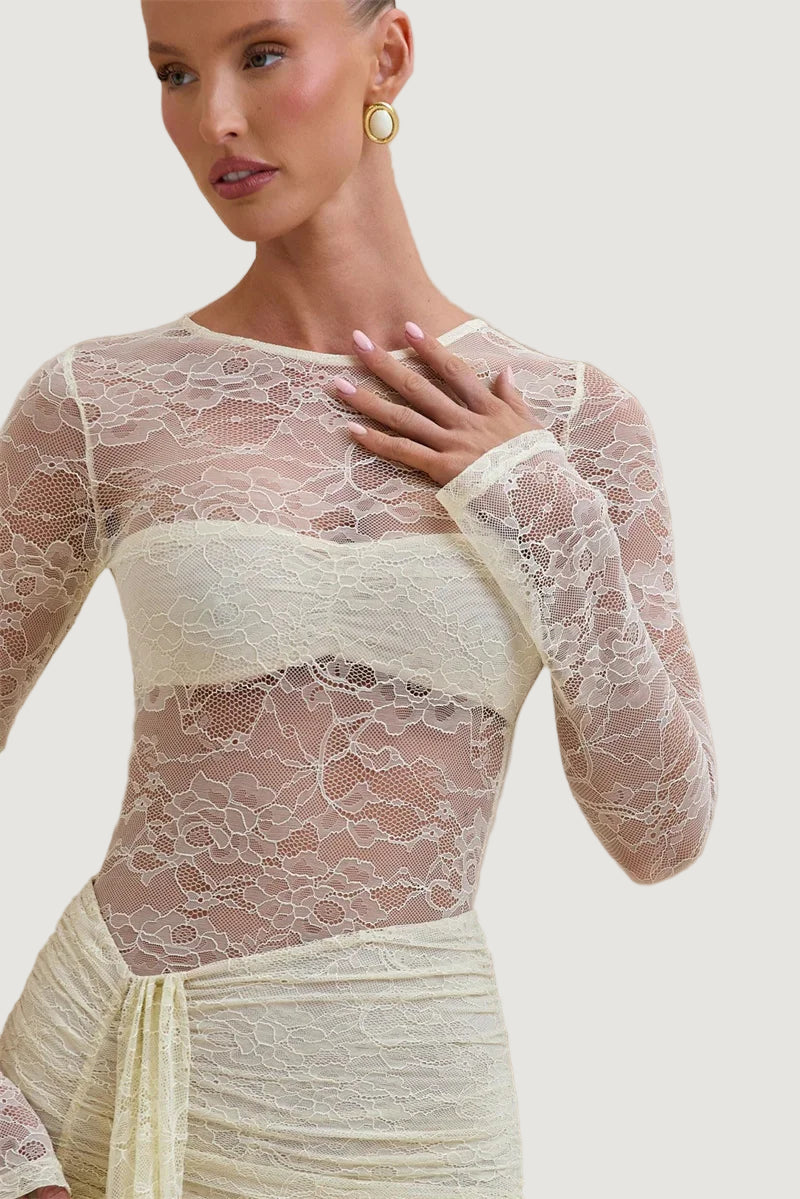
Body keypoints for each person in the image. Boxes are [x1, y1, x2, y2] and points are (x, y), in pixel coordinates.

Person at [0, 3, 718, 1197]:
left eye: (260, 55)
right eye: (173, 73)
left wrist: (540, 507)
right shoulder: (99, 399)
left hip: (409, 1114)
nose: (214, 119)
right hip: (108, 1057)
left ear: (386, 57)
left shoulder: (576, 421)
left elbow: (662, 833)